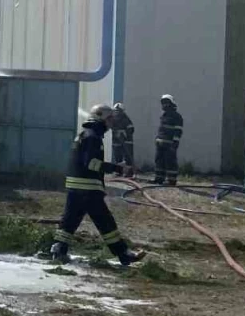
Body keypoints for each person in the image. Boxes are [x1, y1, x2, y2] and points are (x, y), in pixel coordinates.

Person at [50, 104, 147, 267]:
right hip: (88, 188)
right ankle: (123, 254)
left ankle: (58, 249)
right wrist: (118, 168)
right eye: (109, 119)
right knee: (105, 222)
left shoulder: (85, 134)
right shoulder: (93, 137)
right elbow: (92, 163)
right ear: (101, 119)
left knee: (70, 220)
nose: (111, 123)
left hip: (76, 187)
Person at [153, 94, 183, 186]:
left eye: (166, 103)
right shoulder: (163, 115)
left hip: (169, 144)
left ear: (171, 104)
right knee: (159, 161)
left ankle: (172, 180)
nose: (164, 105)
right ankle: (159, 179)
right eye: (163, 103)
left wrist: (175, 143)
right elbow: (161, 129)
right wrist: (157, 138)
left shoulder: (177, 116)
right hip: (160, 143)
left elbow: (178, 131)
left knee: (170, 162)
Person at [110, 102, 135, 167]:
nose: (116, 113)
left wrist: (123, 133)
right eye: (115, 111)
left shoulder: (126, 120)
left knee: (128, 158)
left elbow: (131, 129)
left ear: (122, 112)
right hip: (116, 141)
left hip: (126, 141)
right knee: (117, 157)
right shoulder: (113, 120)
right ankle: (119, 170)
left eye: (118, 111)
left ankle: (129, 170)